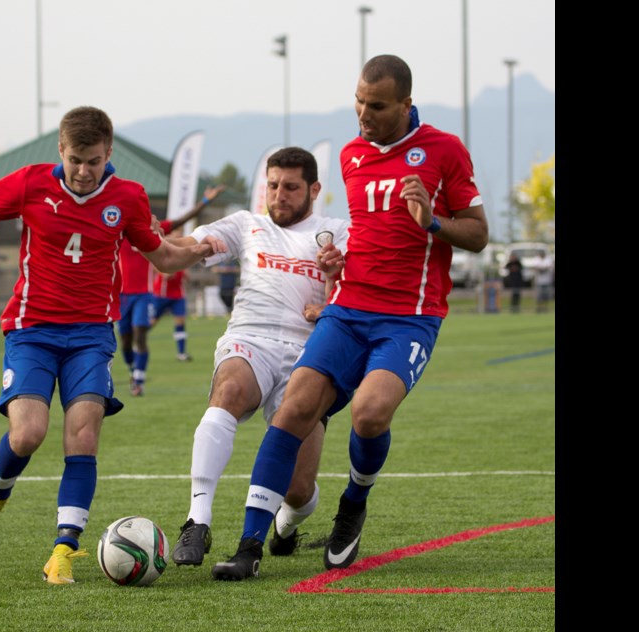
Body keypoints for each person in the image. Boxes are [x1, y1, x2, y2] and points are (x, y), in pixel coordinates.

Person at [0, 106, 223, 586]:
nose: (83, 171)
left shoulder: (128, 197)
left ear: (108, 153)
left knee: (83, 434)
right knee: (28, 434)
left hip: (91, 335)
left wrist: (199, 249)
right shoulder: (30, 183)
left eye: (93, 160)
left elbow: (161, 257)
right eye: (76, 159)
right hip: (31, 329)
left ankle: (63, 551)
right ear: (61, 150)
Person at [211, 54, 489, 581]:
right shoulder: (352, 154)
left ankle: (354, 502)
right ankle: (249, 541)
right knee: (293, 407)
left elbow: (477, 234)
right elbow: (367, 232)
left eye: (377, 106)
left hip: (408, 317)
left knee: (368, 413)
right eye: (358, 102)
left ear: (406, 104)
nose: (363, 114)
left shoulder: (444, 150)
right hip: (348, 308)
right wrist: (339, 266)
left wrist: (432, 222)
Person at [167, 146, 349, 568]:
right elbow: (173, 253)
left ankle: (285, 527)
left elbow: (365, 287)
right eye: (272, 185)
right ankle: (197, 521)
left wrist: (333, 300)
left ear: (314, 189)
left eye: (290, 187)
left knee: (299, 490)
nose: (278, 195)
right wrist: (186, 247)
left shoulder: (337, 231)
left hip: (311, 352)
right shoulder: (245, 225)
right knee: (228, 390)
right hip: (250, 338)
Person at [119, 185, 223, 392]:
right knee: (125, 341)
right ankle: (132, 369)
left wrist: (205, 202)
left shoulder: (150, 231)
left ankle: (138, 382)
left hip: (144, 294)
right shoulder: (120, 230)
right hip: (122, 296)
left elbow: (180, 221)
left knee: (141, 334)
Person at [151, 185, 226, 362]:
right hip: (161, 292)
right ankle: (134, 344)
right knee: (147, 325)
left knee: (180, 321)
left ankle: (181, 353)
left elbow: (185, 221)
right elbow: (155, 262)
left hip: (177, 293)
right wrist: (163, 272)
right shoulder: (152, 236)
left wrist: (206, 201)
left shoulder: (170, 235)